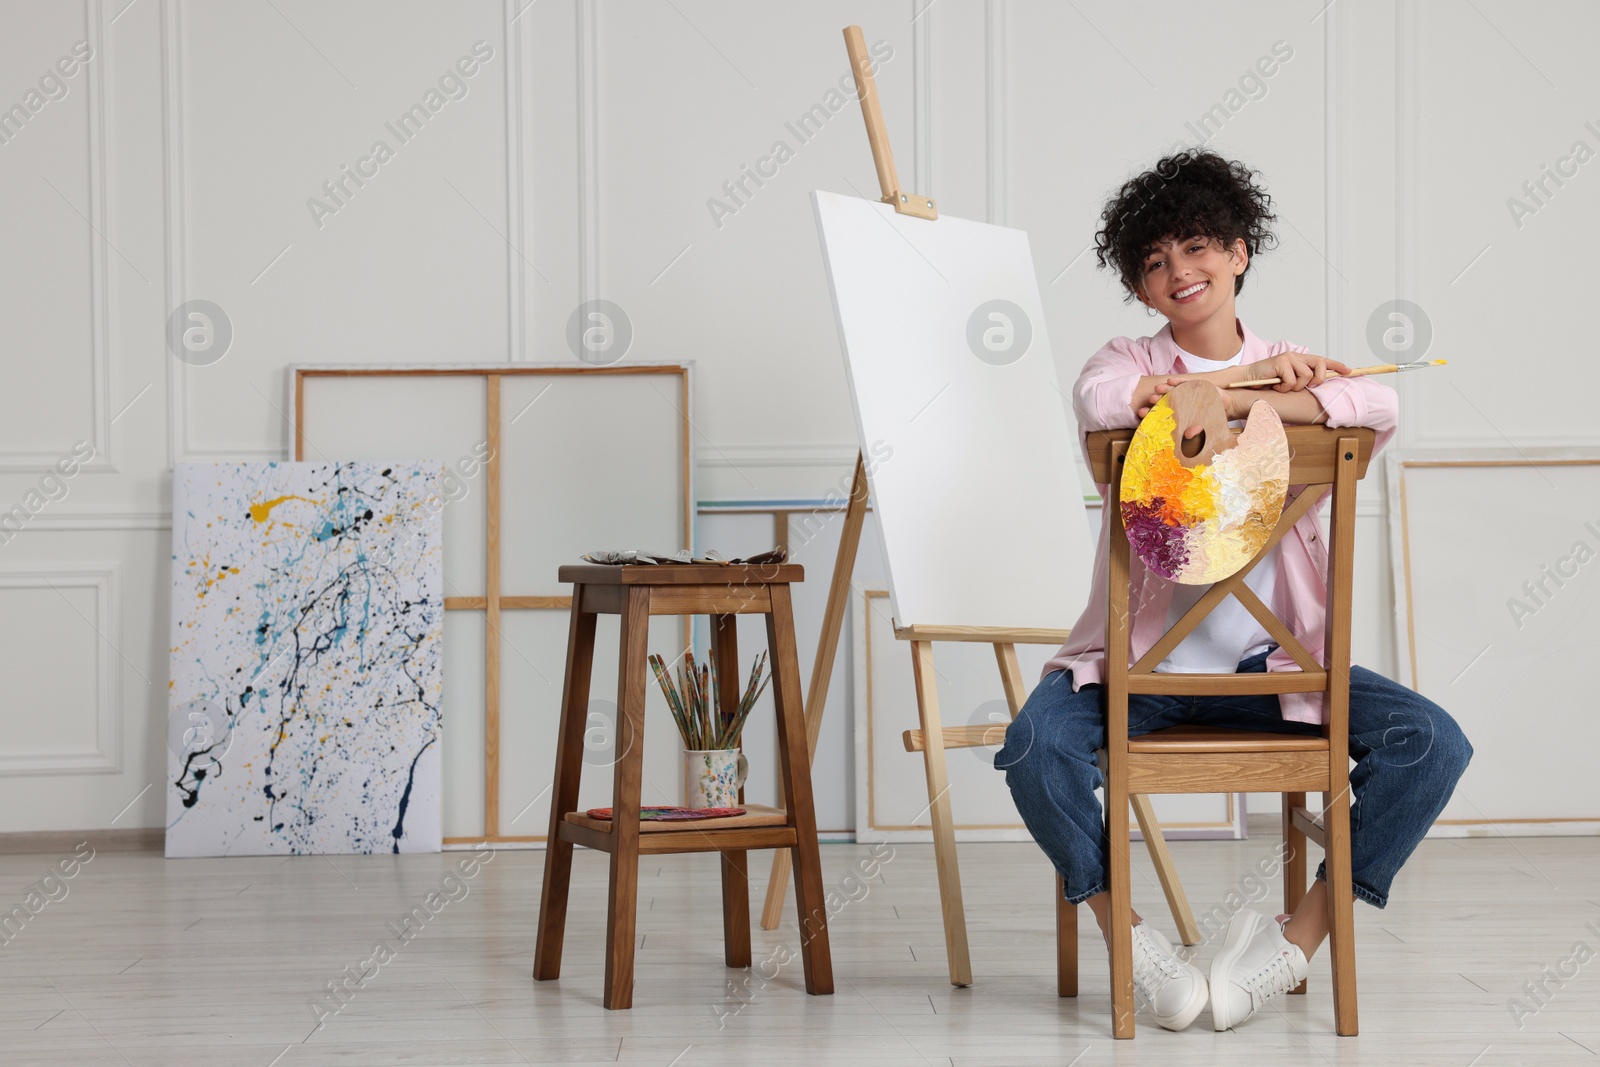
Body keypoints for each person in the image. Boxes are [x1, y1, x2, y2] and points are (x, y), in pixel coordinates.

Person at [994, 149, 1471, 1032]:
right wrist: (1226, 392)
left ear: (1240, 252)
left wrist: (1256, 395)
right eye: (1154, 262)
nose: (1180, 272)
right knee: (1032, 749)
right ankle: (1131, 941)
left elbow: (1377, 406)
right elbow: (1102, 400)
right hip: (1136, 676)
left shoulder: (1292, 361)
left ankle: (1295, 941)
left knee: (1433, 742)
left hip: (1275, 674)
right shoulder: (1126, 358)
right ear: (1141, 288)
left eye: (1198, 247)